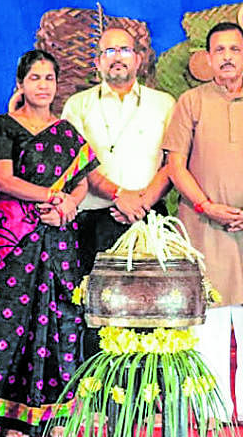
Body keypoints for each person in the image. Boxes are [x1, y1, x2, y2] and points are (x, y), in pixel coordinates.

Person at [164, 22, 243, 432]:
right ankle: (210, 410)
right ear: (207, 58)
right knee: (210, 320)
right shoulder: (191, 102)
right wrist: (206, 205)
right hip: (204, 225)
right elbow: (175, 166)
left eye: (235, 49)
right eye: (219, 50)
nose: (227, 57)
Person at [0, 49, 97, 437]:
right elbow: (3, 180)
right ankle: (9, 415)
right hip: (16, 237)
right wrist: (52, 198)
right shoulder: (5, 126)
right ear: (20, 84)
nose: (42, 85)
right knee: (12, 321)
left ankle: (55, 413)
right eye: (35, 78)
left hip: (59, 239)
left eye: (49, 78)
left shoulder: (67, 132)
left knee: (61, 320)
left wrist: (68, 205)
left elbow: (82, 182)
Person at [61, 26, 175, 356]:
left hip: (151, 218)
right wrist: (119, 195)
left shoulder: (163, 104)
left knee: (152, 309)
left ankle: (148, 393)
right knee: (100, 310)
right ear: (97, 62)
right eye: (109, 52)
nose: (117, 58)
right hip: (97, 218)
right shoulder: (78, 105)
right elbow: (80, 163)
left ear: (138, 59)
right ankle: (102, 398)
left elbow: (173, 161)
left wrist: (143, 200)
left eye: (124, 50)